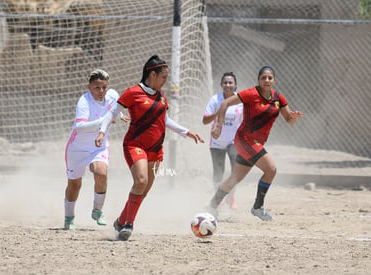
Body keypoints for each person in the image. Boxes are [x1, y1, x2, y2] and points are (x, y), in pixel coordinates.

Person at [95, 55, 205, 240]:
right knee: (141, 180)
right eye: (164, 76)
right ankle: (128, 224)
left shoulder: (161, 96)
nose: (166, 80)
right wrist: (101, 132)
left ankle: (121, 221)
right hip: (135, 145)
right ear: (152, 74)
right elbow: (111, 113)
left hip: (156, 149)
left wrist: (186, 132)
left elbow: (165, 120)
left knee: (143, 189)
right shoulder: (132, 92)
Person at [207, 66, 303, 221]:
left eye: (269, 78)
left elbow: (289, 120)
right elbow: (225, 104)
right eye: (263, 77)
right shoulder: (251, 94)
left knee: (234, 178)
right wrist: (218, 126)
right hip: (245, 139)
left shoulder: (278, 98)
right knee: (271, 169)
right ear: (258, 80)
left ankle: (211, 206)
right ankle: (258, 207)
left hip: (254, 143)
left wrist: (294, 117)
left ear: (274, 80)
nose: (266, 80)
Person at [63, 69, 129, 230]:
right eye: (96, 88)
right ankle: (69, 218)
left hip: (98, 146)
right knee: (75, 184)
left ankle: (97, 210)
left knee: (101, 173)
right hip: (77, 148)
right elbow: (80, 127)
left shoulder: (113, 95)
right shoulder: (84, 102)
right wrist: (104, 120)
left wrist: (119, 116)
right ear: (89, 87)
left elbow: (114, 109)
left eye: (104, 87)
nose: (101, 91)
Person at [202, 72, 243, 210]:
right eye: (225, 82)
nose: (228, 85)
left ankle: (231, 197)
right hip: (217, 142)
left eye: (231, 83)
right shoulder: (215, 100)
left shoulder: (240, 100)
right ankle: (218, 199)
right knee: (218, 172)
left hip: (234, 141)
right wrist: (218, 112)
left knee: (235, 172)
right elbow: (205, 120)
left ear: (235, 85)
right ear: (221, 85)